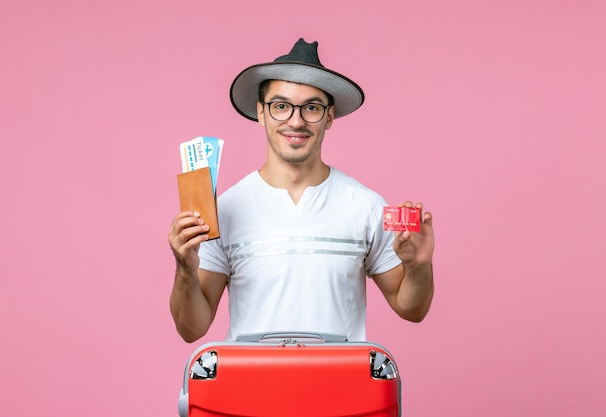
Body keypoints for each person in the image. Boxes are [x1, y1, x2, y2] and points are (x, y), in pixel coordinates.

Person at [168, 38, 435, 343]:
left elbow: (412, 308)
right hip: (251, 388)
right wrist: (185, 269)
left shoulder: (366, 206)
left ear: (329, 117)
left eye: (311, 107)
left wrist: (419, 267)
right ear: (262, 113)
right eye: (281, 106)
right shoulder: (224, 212)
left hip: (342, 388)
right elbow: (191, 329)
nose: (296, 121)